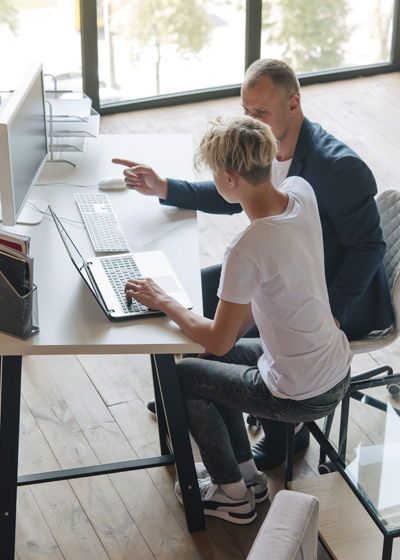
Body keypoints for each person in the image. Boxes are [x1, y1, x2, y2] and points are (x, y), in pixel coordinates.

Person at [113, 58, 393, 471]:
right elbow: (236, 192)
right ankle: (201, 392)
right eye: (246, 111)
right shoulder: (278, 169)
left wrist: (332, 310)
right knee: (196, 288)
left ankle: (281, 436)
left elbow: (370, 247)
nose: (252, 121)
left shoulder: (336, 168)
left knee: (239, 317)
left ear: (293, 105)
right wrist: (165, 187)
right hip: (286, 271)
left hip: (333, 294)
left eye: (260, 113)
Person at [124, 116, 352, 524]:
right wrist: (165, 186)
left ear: (229, 180)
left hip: (299, 391)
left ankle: (231, 494)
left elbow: (218, 341)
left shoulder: (247, 247)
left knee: (182, 378)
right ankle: (248, 476)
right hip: (335, 365)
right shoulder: (300, 192)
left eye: (215, 176)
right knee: (213, 372)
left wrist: (165, 301)